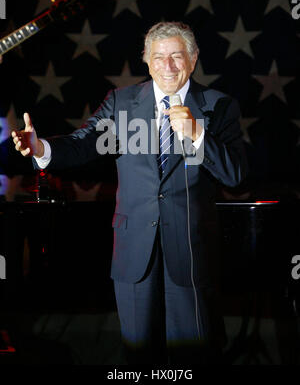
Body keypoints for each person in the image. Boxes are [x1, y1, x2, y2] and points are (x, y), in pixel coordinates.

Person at [11, 21, 248, 365]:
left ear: (193, 60)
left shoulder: (219, 106)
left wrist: (198, 135)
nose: (168, 66)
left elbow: (235, 176)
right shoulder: (121, 102)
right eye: (159, 57)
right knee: (138, 358)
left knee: (195, 357)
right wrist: (41, 148)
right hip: (134, 253)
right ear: (147, 61)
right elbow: (84, 144)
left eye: (177, 57)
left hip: (192, 253)